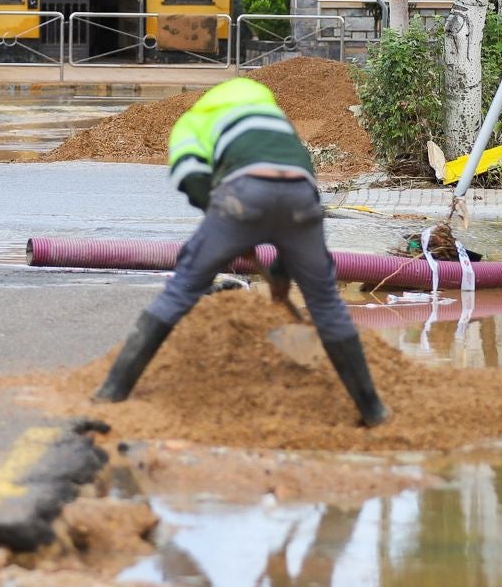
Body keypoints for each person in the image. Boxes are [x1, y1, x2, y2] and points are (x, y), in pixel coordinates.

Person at [93, 78, 388, 428]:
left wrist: (226, 223)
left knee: (182, 289)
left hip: (241, 196)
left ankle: (113, 389)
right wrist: (280, 272)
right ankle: (373, 410)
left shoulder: (192, 123)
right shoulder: (275, 120)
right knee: (325, 302)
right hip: (301, 199)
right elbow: (297, 190)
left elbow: (191, 178)